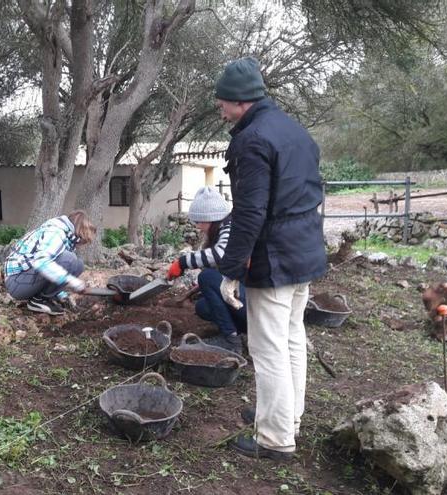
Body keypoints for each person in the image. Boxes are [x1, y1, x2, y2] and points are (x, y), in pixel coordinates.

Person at [213, 57, 327, 461]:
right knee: (293, 337)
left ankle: (276, 438)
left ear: (240, 100)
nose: (220, 109)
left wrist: (229, 270)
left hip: (275, 257)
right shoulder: (292, 129)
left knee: (268, 348)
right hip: (305, 249)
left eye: (223, 102)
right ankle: (285, 415)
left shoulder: (252, 139)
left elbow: (250, 212)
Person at [166, 187, 246, 354]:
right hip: (243, 301)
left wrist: (182, 262)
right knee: (203, 306)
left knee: (207, 277)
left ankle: (231, 341)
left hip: (252, 302)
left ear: (212, 219)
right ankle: (239, 331)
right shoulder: (224, 227)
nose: (198, 227)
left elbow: (218, 255)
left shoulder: (231, 228)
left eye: (200, 222)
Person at [3, 211, 95, 315]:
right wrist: (71, 280)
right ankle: (38, 301)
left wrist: (59, 294)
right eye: (83, 241)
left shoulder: (65, 235)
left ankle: (45, 298)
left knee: (78, 264)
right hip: (16, 282)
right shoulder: (55, 232)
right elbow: (41, 262)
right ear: (80, 232)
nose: (80, 245)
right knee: (69, 259)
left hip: (23, 279)